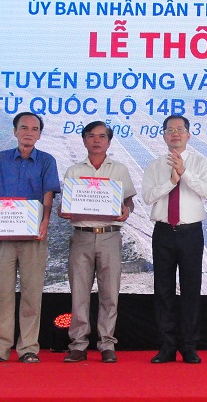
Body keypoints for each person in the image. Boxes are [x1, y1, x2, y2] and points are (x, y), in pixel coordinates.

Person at [0, 112, 60, 364]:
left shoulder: (47, 160)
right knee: (2, 292)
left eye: (34, 129)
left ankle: (28, 349)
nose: (28, 132)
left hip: (34, 236)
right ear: (15, 131)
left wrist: (45, 221)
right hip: (3, 236)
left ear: (39, 134)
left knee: (31, 293)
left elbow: (48, 195)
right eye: (23, 128)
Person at [59, 121, 136, 364]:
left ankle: (106, 344)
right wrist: (64, 210)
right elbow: (66, 205)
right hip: (81, 235)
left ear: (109, 141)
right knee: (79, 294)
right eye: (91, 136)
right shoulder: (73, 170)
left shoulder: (120, 170)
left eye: (102, 136)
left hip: (110, 235)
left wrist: (126, 210)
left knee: (109, 294)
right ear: (84, 141)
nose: (96, 140)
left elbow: (129, 202)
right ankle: (79, 345)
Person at [142, 115, 207, 364]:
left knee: (191, 290)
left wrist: (185, 174)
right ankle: (167, 345)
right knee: (163, 290)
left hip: (191, 232)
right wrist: (170, 181)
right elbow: (148, 197)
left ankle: (190, 346)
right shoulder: (154, 165)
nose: (175, 133)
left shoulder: (201, 163)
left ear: (188, 134)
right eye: (170, 130)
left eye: (180, 130)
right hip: (163, 231)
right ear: (163, 135)